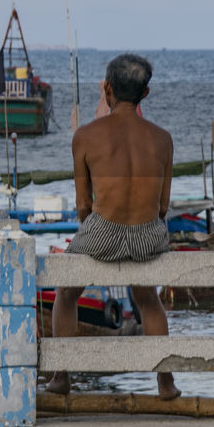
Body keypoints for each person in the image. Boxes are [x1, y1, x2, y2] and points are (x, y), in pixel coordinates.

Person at [45, 53, 180, 400]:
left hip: (103, 230)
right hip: (149, 233)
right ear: (145, 94)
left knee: (66, 292)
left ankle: (61, 376)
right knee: (148, 298)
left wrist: (95, 231)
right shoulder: (163, 139)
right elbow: (163, 206)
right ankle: (165, 383)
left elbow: (83, 206)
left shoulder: (85, 137)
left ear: (107, 89)